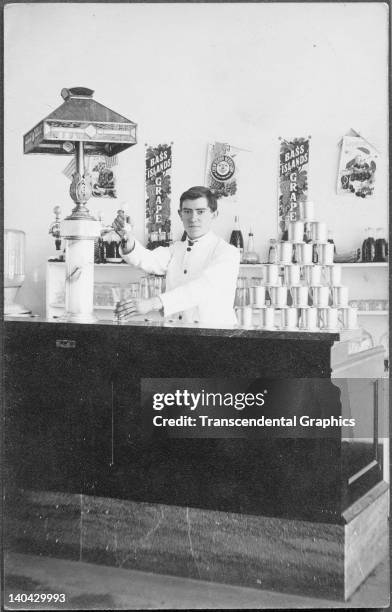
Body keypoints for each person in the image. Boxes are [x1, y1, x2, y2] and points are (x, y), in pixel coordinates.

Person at [114, 186, 240, 326]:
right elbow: (148, 259)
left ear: (214, 214)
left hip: (214, 337)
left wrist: (153, 303)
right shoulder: (176, 249)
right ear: (180, 214)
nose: (193, 218)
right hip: (177, 334)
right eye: (187, 211)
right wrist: (128, 237)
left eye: (200, 212)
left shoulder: (227, 252)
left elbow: (203, 287)